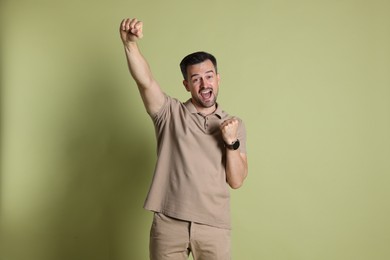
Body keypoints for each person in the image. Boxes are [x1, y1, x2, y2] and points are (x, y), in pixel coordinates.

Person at [119, 17, 248, 260]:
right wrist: (130, 45)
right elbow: (145, 81)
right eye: (196, 79)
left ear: (218, 79)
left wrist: (231, 142)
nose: (204, 84)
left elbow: (237, 180)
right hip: (169, 223)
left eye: (209, 76)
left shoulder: (233, 124)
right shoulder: (169, 113)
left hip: (214, 226)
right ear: (186, 84)